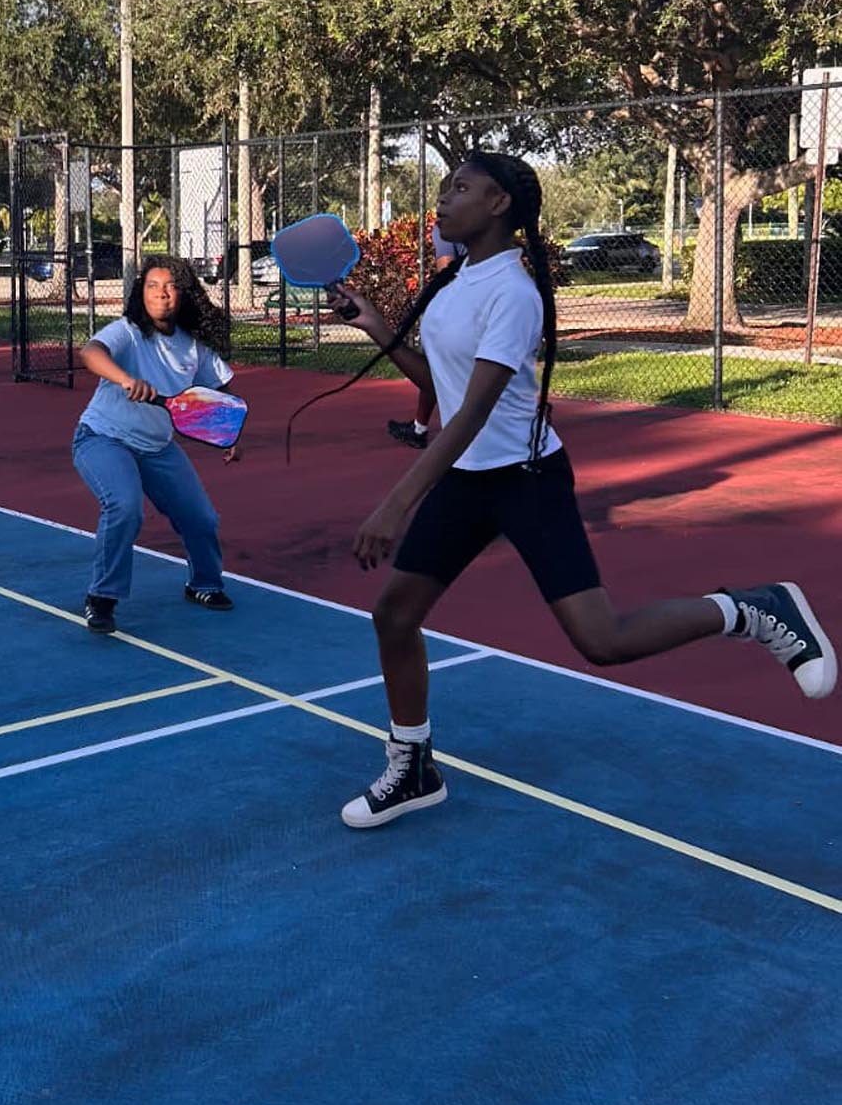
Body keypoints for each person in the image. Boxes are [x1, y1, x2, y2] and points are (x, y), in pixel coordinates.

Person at [328, 150, 836, 829]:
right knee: (394, 614)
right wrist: (380, 327)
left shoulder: (513, 292)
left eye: (460, 188)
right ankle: (414, 765)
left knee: (602, 640)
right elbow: (441, 387)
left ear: (499, 204)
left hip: (524, 479)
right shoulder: (458, 281)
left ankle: (753, 609)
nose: (444, 200)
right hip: (467, 476)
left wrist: (396, 503)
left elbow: (474, 410)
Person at [73, 254, 239, 634]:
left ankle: (203, 585)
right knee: (125, 506)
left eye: (169, 286)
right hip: (103, 439)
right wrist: (125, 379)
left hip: (157, 447)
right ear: (140, 293)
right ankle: (102, 597)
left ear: (183, 294)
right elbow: (91, 353)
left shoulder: (193, 345)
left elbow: (221, 389)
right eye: (152, 286)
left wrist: (229, 433)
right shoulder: (128, 332)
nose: (161, 294)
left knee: (201, 517)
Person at [387, 187, 462, 449]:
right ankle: (419, 428)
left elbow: (446, 269)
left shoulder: (445, 228)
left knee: (435, 370)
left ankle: (422, 430)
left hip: (458, 309)